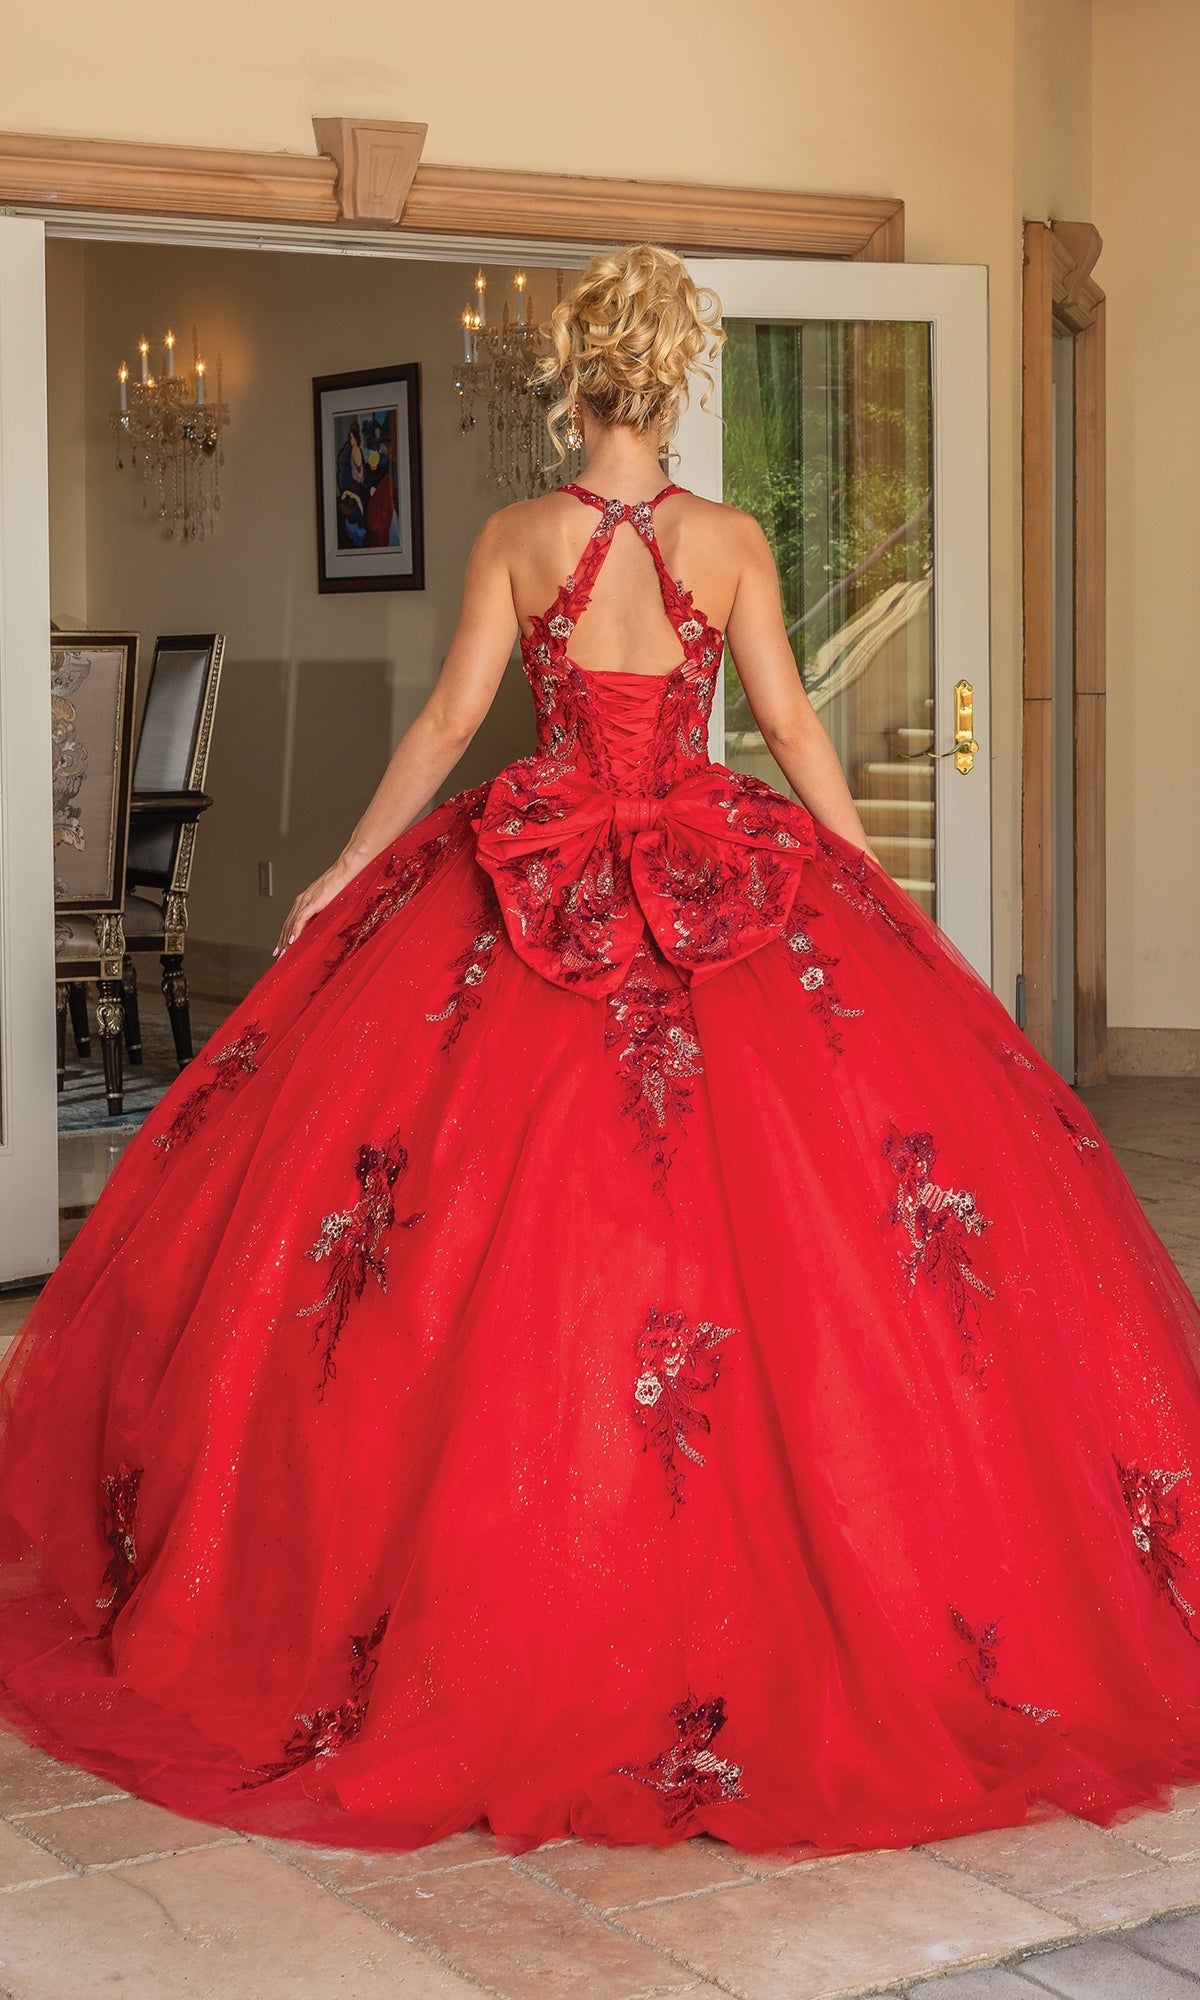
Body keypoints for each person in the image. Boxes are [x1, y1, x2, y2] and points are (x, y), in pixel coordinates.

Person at [3, 243, 1200, 1861]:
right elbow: (787, 725)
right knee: (792, 1237)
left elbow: (443, 731)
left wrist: (351, 873)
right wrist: (867, 890)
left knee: (482, 1232)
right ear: (678, 374)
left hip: (540, 874)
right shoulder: (726, 542)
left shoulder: (521, 536)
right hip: (714, 873)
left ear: (570, 379)